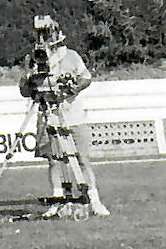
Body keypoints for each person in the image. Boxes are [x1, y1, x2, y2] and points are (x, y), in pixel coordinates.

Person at [18, 16, 110, 217]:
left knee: (81, 159)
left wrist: (71, 89)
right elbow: (24, 90)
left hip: (72, 115)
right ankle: (58, 198)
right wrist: (30, 78)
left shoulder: (71, 56)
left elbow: (86, 78)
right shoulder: (32, 59)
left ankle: (93, 199)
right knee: (54, 160)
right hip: (46, 114)